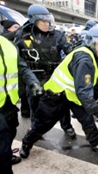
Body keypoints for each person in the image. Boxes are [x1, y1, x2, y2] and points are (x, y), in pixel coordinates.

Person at [19, 26, 98, 159]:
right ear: (91, 42)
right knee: (42, 123)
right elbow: (84, 91)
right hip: (56, 95)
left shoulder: (93, 56)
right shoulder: (84, 59)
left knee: (88, 122)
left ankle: (96, 144)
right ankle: (26, 143)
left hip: (73, 96)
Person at [14, 4, 76, 138]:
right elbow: (17, 58)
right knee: (35, 104)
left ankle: (67, 126)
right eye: (43, 21)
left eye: (48, 20)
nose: (46, 24)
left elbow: (69, 51)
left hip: (54, 76)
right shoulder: (22, 34)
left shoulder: (58, 35)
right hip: (34, 76)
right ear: (33, 20)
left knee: (61, 103)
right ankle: (36, 128)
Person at [0, 35, 42, 174]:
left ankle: (7, 154)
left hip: (9, 102)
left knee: (11, 133)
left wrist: (33, 82)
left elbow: (22, 67)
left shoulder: (9, 45)